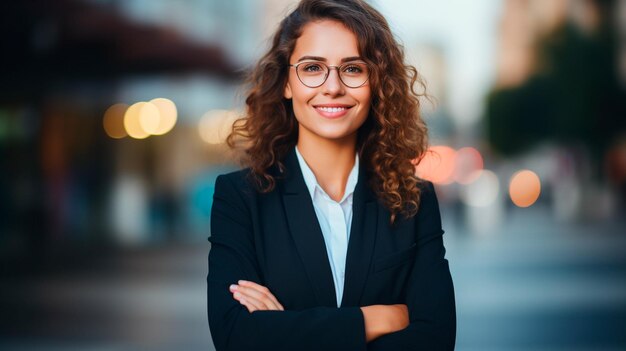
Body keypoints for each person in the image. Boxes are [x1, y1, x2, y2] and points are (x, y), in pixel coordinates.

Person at [207, 0, 456, 350]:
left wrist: (283, 330)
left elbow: (435, 339)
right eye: (312, 68)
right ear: (286, 83)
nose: (333, 87)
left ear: (377, 82)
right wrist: (374, 319)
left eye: (353, 69)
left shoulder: (415, 199)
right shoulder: (240, 197)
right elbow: (236, 336)